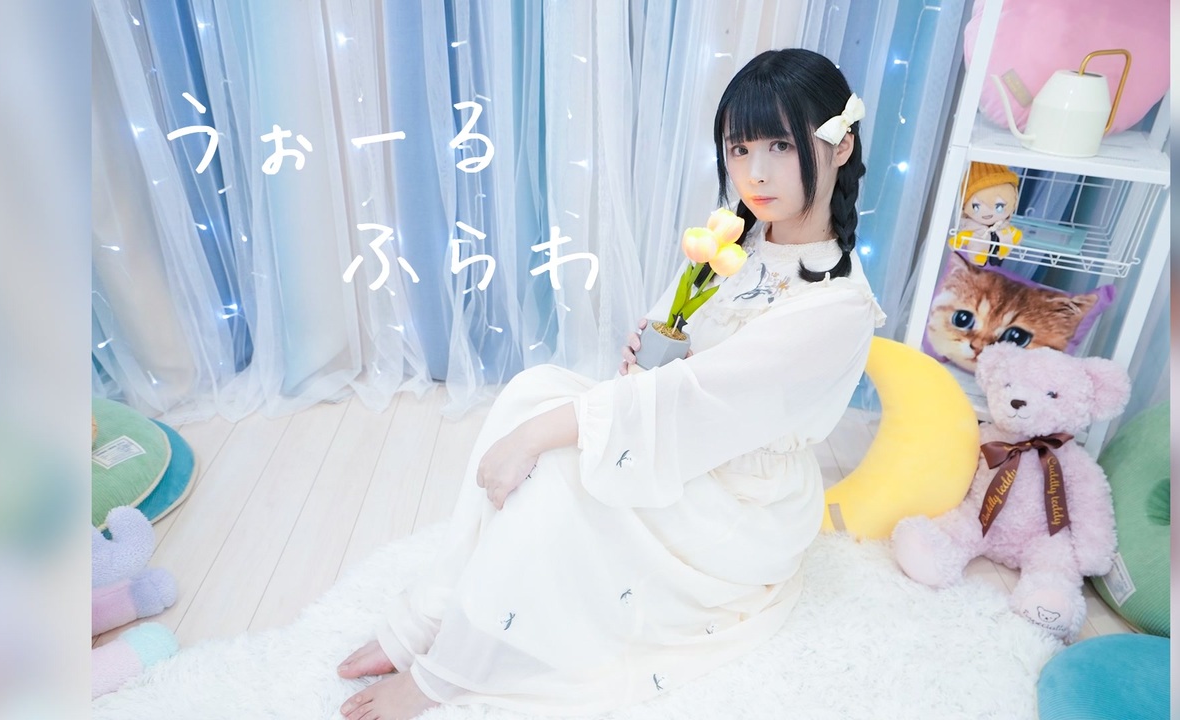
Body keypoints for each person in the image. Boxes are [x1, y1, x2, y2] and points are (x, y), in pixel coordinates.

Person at [336, 47, 886, 720]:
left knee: (558, 468)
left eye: (780, 145)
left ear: (840, 145)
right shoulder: (736, 242)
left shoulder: (838, 305)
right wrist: (652, 346)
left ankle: (446, 675)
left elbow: (693, 399)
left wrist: (538, 438)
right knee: (534, 388)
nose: (756, 172)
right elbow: (673, 358)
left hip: (743, 501)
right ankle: (430, 618)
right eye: (740, 149)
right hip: (685, 446)